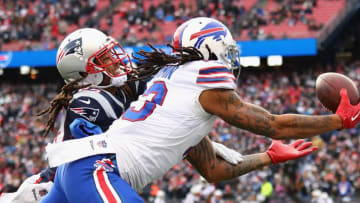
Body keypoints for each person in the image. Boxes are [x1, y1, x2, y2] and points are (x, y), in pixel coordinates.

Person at [44, 17, 328, 202]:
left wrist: (269, 156)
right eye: (227, 51)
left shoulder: (173, 93)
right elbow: (274, 124)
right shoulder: (201, 75)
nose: (230, 59)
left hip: (83, 172)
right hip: (95, 169)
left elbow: (213, 170)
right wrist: (339, 120)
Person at [3, 28, 244, 203]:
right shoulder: (89, 104)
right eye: (104, 58)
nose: (116, 60)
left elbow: (170, 113)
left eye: (111, 53)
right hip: (61, 180)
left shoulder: (131, 84)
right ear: (86, 74)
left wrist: (202, 139)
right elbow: (80, 159)